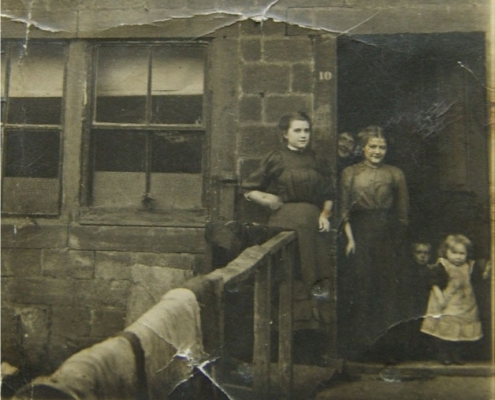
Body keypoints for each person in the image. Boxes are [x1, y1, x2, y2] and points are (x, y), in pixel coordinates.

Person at [241, 111, 334, 364]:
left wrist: (324, 214)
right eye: (298, 131)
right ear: (285, 134)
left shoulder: (316, 159)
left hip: (313, 231)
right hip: (285, 226)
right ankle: (280, 350)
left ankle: (312, 350)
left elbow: (329, 193)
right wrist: (268, 199)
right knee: (289, 280)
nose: (304, 135)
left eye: (306, 130)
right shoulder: (277, 158)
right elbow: (248, 188)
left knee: (315, 278)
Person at [340, 125, 409, 358]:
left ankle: (386, 346)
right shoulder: (350, 173)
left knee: (387, 286)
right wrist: (350, 239)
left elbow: (402, 213)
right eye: (373, 146)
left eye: (382, 147)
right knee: (362, 284)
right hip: (359, 232)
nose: (378, 151)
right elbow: (343, 212)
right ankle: (360, 346)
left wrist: (396, 241)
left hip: (387, 232)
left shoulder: (395, 173)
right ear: (363, 148)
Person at [421, 234, 489, 365]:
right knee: (446, 328)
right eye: (454, 252)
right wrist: (440, 297)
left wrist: (485, 273)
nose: (458, 257)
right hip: (447, 302)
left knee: (460, 331)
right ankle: (444, 354)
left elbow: (477, 280)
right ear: (446, 251)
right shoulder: (443, 265)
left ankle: (456, 354)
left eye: (462, 253)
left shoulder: (469, 266)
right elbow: (433, 282)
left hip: (465, 303)